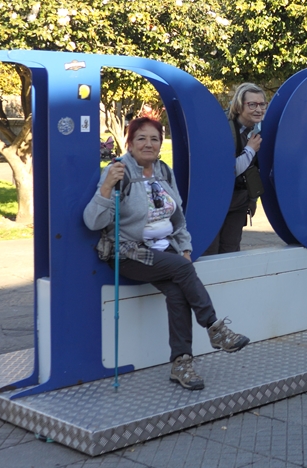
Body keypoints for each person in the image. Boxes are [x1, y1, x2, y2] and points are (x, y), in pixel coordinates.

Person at [84, 117, 249, 391]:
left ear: (161, 144)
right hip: (128, 252)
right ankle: (215, 328)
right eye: (141, 138)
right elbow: (93, 221)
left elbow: (178, 217)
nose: (148, 144)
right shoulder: (118, 172)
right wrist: (106, 188)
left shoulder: (164, 171)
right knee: (183, 269)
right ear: (129, 143)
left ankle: (181, 364)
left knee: (177, 292)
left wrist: (185, 248)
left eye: (154, 139)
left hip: (164, 250)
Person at [205, 83, 267, 255]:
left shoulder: (258, 130)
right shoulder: (224, 129)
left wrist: (252, 199)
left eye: (262, 104)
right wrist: (250, 150)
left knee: (231, 251)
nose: (258, 109)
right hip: (216, 200)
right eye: (252, 104)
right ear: (239, 106)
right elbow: (225, 172)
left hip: (239, 200)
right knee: (210, 250)